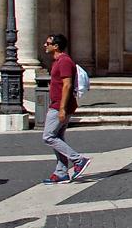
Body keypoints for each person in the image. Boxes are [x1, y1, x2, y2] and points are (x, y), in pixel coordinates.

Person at [41, 34, 90, 184]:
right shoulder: (58, 61)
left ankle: (78, 160)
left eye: (48, 43)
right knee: (58, 137)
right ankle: (61, 172)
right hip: (58, 104)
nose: (45, 45)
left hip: (59, 106)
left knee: (48, 136)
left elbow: (67, 85)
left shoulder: (64, 61)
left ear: (56, 46)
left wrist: (62, 108)